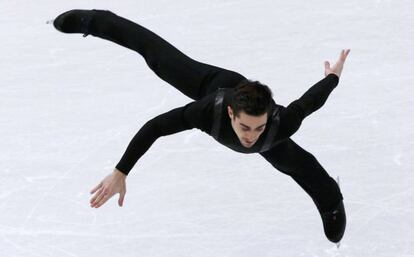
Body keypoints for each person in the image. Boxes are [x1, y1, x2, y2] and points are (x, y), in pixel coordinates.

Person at [53, 9, 350, 243]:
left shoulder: (279, 124)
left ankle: (331, 202)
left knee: (301, 166)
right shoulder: (209, 111)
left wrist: (332, 78)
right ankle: (95, 20)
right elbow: (155, 127)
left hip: (257, 111)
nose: (251, 137)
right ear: (232, 114)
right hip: (212, 84)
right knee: (157, 57)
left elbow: (309, 102)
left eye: (258, 128)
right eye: (246, 127)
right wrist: (121, 171)